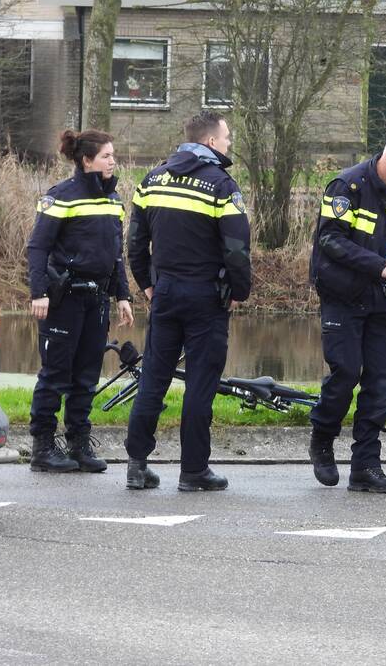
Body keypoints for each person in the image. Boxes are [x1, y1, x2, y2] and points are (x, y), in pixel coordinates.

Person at [125, 111, 252, 492]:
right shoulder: (221, 186)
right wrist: (239, 291)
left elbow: (135, 243)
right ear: (211, 142)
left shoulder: (152, 179)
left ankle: (136, 465)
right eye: (226, 138)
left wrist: (148, 285)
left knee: (153, 379)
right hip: (206, 298)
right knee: (200, 384)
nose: (229, 144)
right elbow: (237, 249)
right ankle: (194, 471)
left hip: (165, 293)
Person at [307, 129, 386, 494]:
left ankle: (365, 466)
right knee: (345, 373)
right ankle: (322, 438)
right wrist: (378, 265)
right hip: (342, 295)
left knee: (382, 382)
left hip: (382, 297)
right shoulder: (346, 187)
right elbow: (330, 239)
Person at [27, 129, 134, 473]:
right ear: (87, 160)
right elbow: (38, 247)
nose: (113, 161)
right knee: (56, 374)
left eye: (113, 155)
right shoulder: (61, 197)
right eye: (106, 156)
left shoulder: (113, 199)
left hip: (97, 299)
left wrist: (122, 295)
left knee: (87, 376)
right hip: (64, 299)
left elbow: (116, 253)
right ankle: (43, 447)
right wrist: (39, 292)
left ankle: (78, 443)